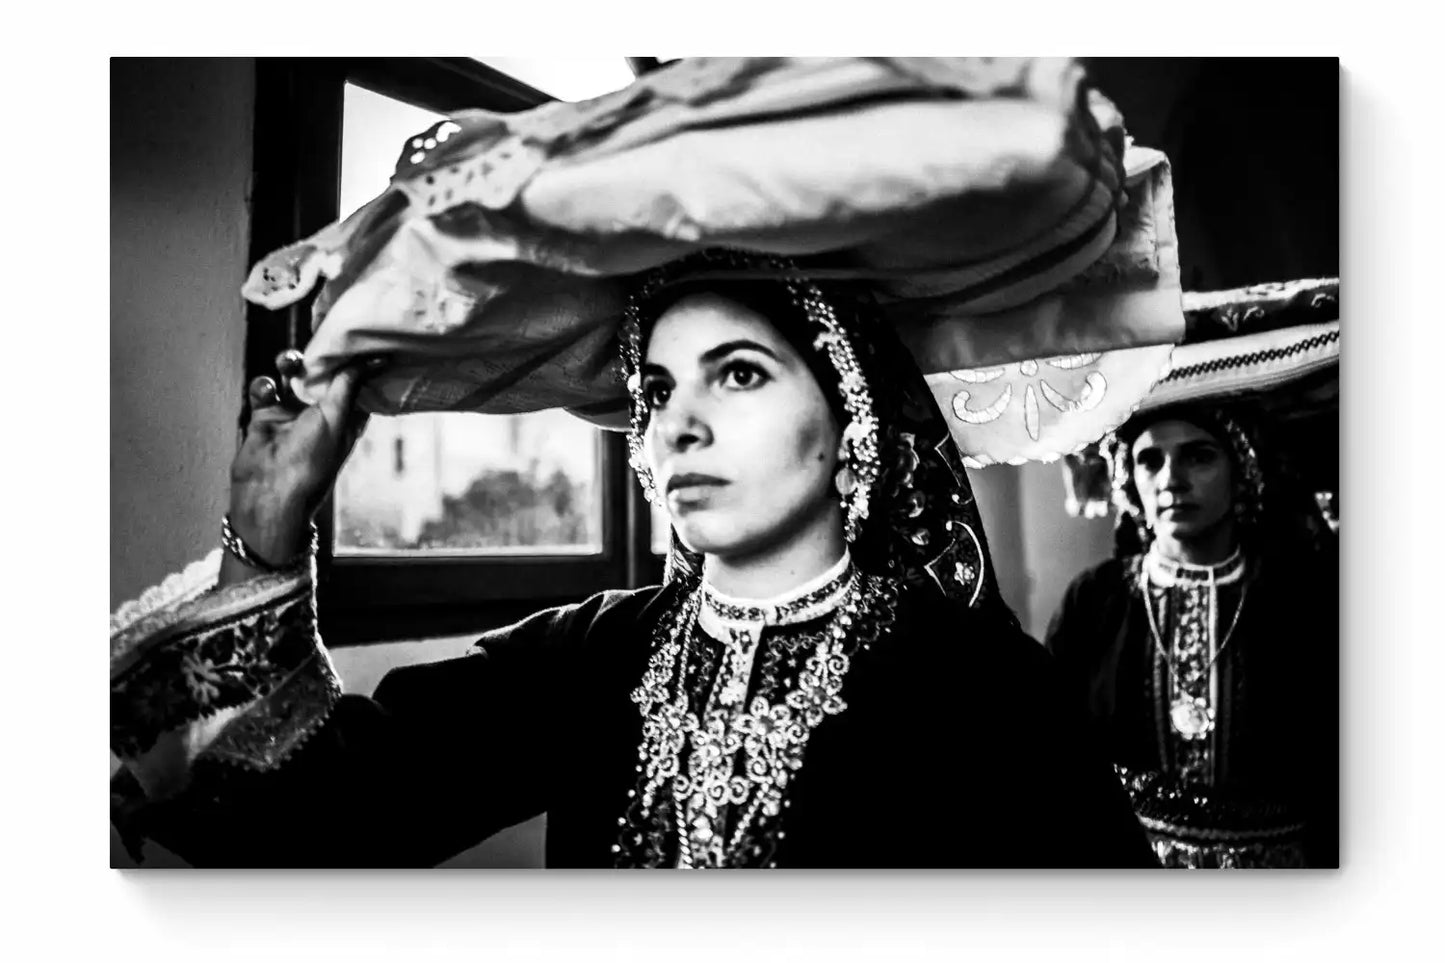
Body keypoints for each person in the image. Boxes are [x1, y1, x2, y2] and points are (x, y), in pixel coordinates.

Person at [111, 249, 1155, 868]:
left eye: (737, 375)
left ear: (851, 427)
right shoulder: (588, 655)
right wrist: (268, 535)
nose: (677, 427)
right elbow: (310, 825)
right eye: (656, 392)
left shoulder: (974, 682)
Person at [1045, 402, 1338, 867]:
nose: (1170, 480)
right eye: (1150, 460)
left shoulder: (1303, 597)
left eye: (1198, 456)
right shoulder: (1095, 601)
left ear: (1242, 470)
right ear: (1127, 477)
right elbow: (1056, 760)